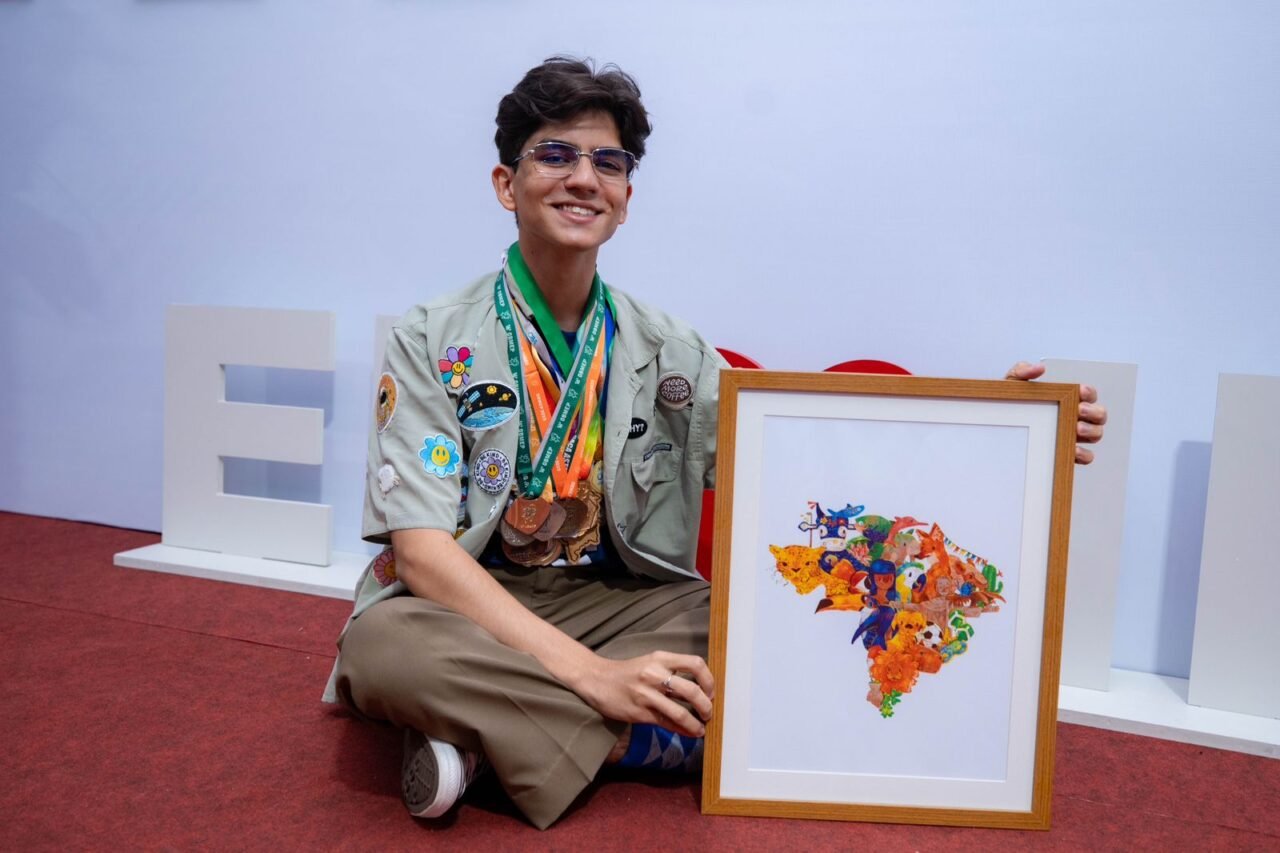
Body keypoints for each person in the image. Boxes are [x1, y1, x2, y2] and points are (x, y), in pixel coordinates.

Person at [323, 56, 1108, 830]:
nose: (582, 178)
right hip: (471, 602)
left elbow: (813, 460)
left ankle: (489, 743)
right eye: (555, 155)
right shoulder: (432, 337)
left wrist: (1002, 429)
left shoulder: (673, 349)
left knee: (775, 621)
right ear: (507, 184)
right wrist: (596, 678)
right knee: (385, 645)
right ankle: (639, 736)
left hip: (620, 604)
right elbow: (424, 555)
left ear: (626, 197)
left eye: (608, 161)